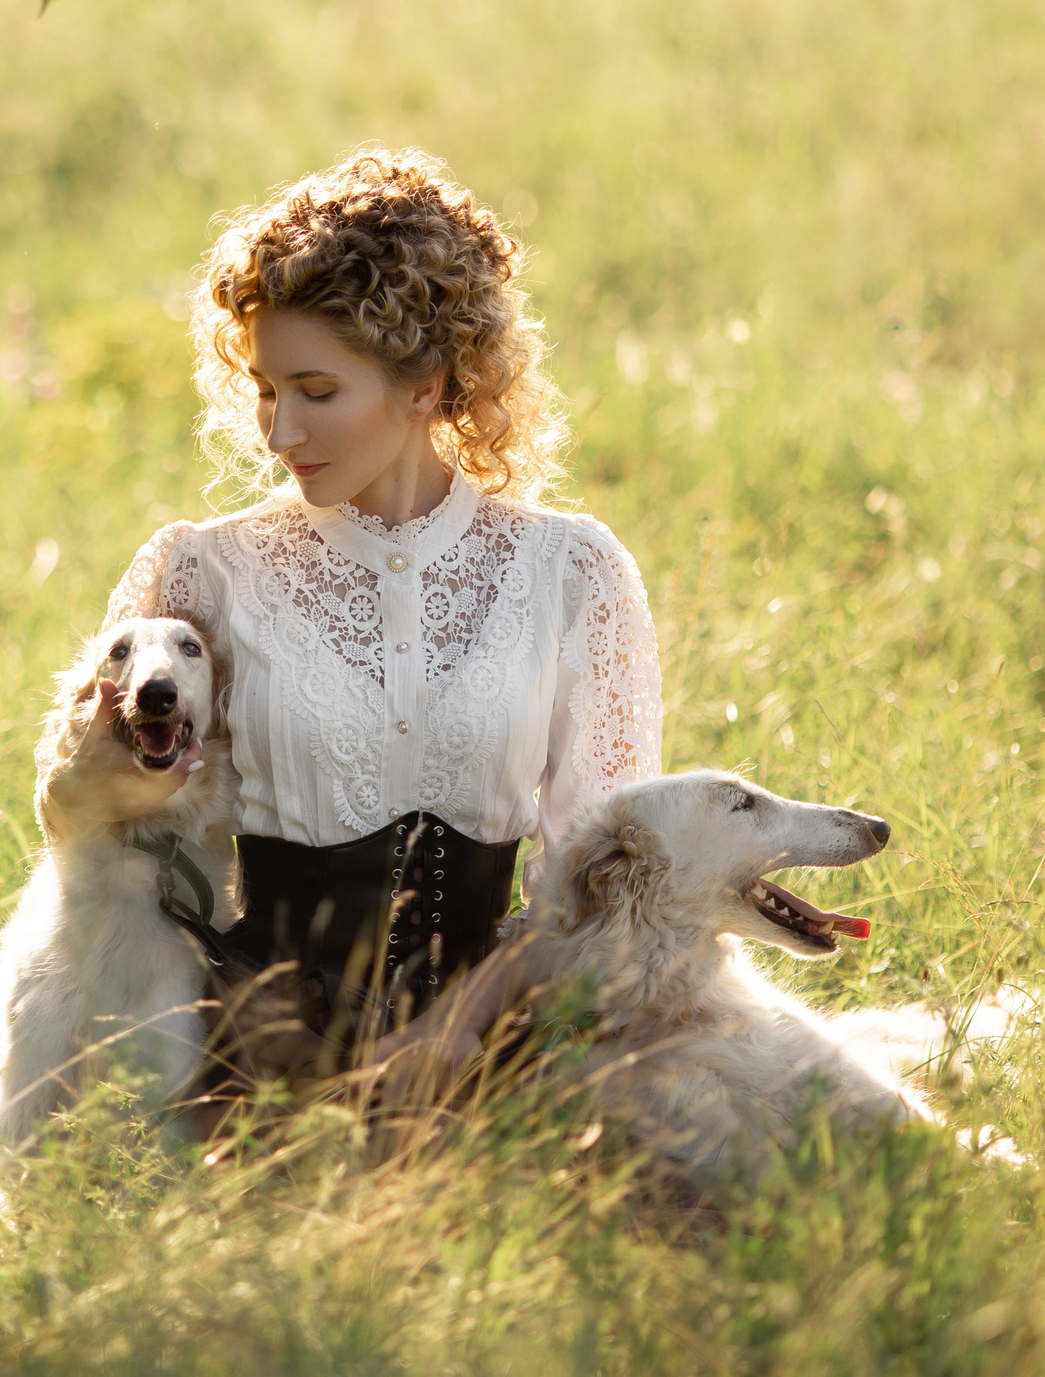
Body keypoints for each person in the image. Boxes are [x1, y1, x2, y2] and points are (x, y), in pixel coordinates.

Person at [98, 146, 664, 1094]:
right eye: (269, 392)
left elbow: (601, 889)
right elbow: (104, 845)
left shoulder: (572, 573)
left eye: (317, 393)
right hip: (251, 1068)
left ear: (426, 383)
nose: (280, 434)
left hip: (491, 1067)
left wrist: (456, 1029)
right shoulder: (206, 571)